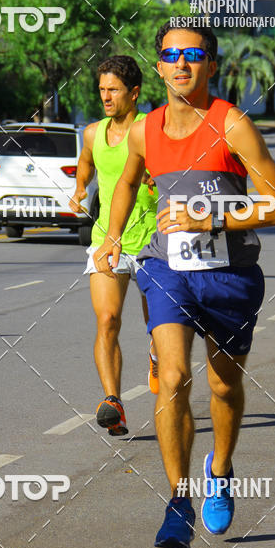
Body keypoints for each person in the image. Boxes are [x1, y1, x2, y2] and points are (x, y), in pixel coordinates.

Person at [94, 22, 275, 547]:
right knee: (174, 377)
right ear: (158, 65)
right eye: (170, 54)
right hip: (167, 270)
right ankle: (179, 497)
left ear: (211, 64)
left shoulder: (234, 126)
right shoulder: (144, 130)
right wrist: (114, 235)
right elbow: (126, 182)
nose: (181, 63)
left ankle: (220, 470)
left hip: (231, 275)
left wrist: (210, 220)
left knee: (223, 386)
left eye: (194, 54)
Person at [70, 55, 159, 436]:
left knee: (158, 328)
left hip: (154, 241)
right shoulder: (93, 133)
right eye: (102, 89)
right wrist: (78, 189)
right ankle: (114, 402)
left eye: (114, 90)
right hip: (109, 238)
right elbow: (86, 164)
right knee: (107, 319)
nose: (106, 97)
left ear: (134, 93)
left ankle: (157, 356)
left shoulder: (153, 129)